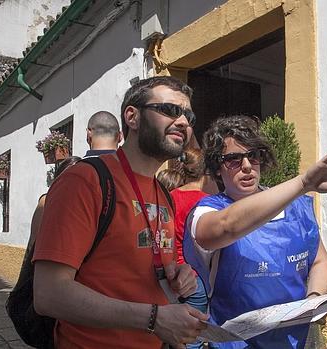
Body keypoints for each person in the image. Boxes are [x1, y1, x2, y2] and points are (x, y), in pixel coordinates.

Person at [32, 76, 208, 348]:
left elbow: (147, 270)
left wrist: (179, 274)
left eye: (188, 115)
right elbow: (49, 293)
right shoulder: (84, 182)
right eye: (170, 110)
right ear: (132, 117)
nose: (183, 121)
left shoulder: (164, 195)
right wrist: (154, 319)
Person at [183, 115, 327, 349]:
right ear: (218, 168)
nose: (247, 166)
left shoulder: (296, 207)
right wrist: (304, 183)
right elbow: (225, 227)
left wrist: (313, 299)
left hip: (295, 341)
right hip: (236, 343)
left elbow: (319, 262)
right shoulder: (209, 210)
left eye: (253, 156)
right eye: (233, 160)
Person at [170, 148, 213, 349]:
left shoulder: (169, 196)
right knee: (192, 338)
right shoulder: (207, 202)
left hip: (169, 274)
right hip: (196, 277)